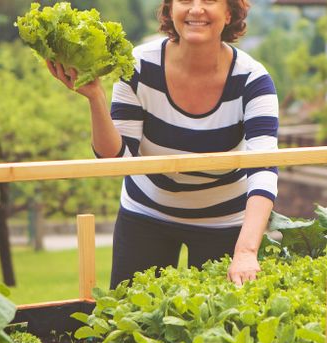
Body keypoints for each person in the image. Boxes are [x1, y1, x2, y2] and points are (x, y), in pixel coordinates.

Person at [45, 0, 278, 288]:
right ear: (169, 10)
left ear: (230, 13)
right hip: (146, 213)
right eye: (184, 0)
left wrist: (245, 251)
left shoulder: (253, 80)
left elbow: (264, 169)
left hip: (224, 220)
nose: (195, 9)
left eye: (208, 0)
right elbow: (116, 160)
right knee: (130, 321)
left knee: (220, 327)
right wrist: (96, 98)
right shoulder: (138, 65)